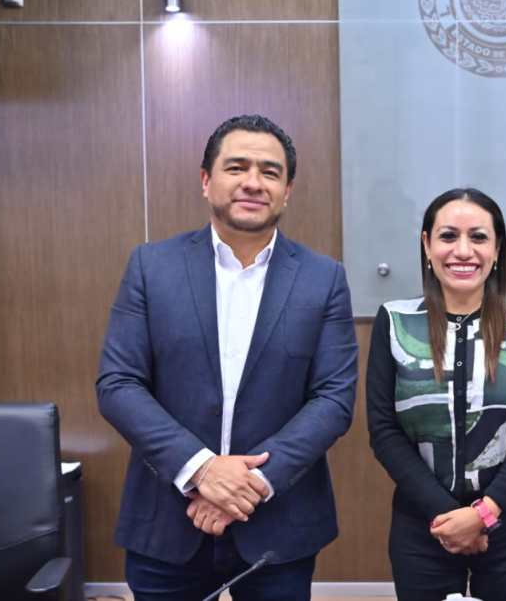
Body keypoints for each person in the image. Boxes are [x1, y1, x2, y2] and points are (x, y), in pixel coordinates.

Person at [97, 114, 358, 600]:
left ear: (288, 190)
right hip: (166, 522)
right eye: (236, 167)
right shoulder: (152, 267)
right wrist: (201, 469)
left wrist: (248, 483)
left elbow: (333, 400)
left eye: (270, 171)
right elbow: (119, 384)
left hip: (277, 530)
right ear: (206, 180)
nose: (253, 183)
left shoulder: (324, 279)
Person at [366, 187, 506, 601]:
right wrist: (447, 514)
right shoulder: (395, 321)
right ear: (427, 245)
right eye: (449, 236)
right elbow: (383, 431)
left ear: (498, 248)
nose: (463, 251)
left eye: (479, 237)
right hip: (423, 523)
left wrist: (485, 514)